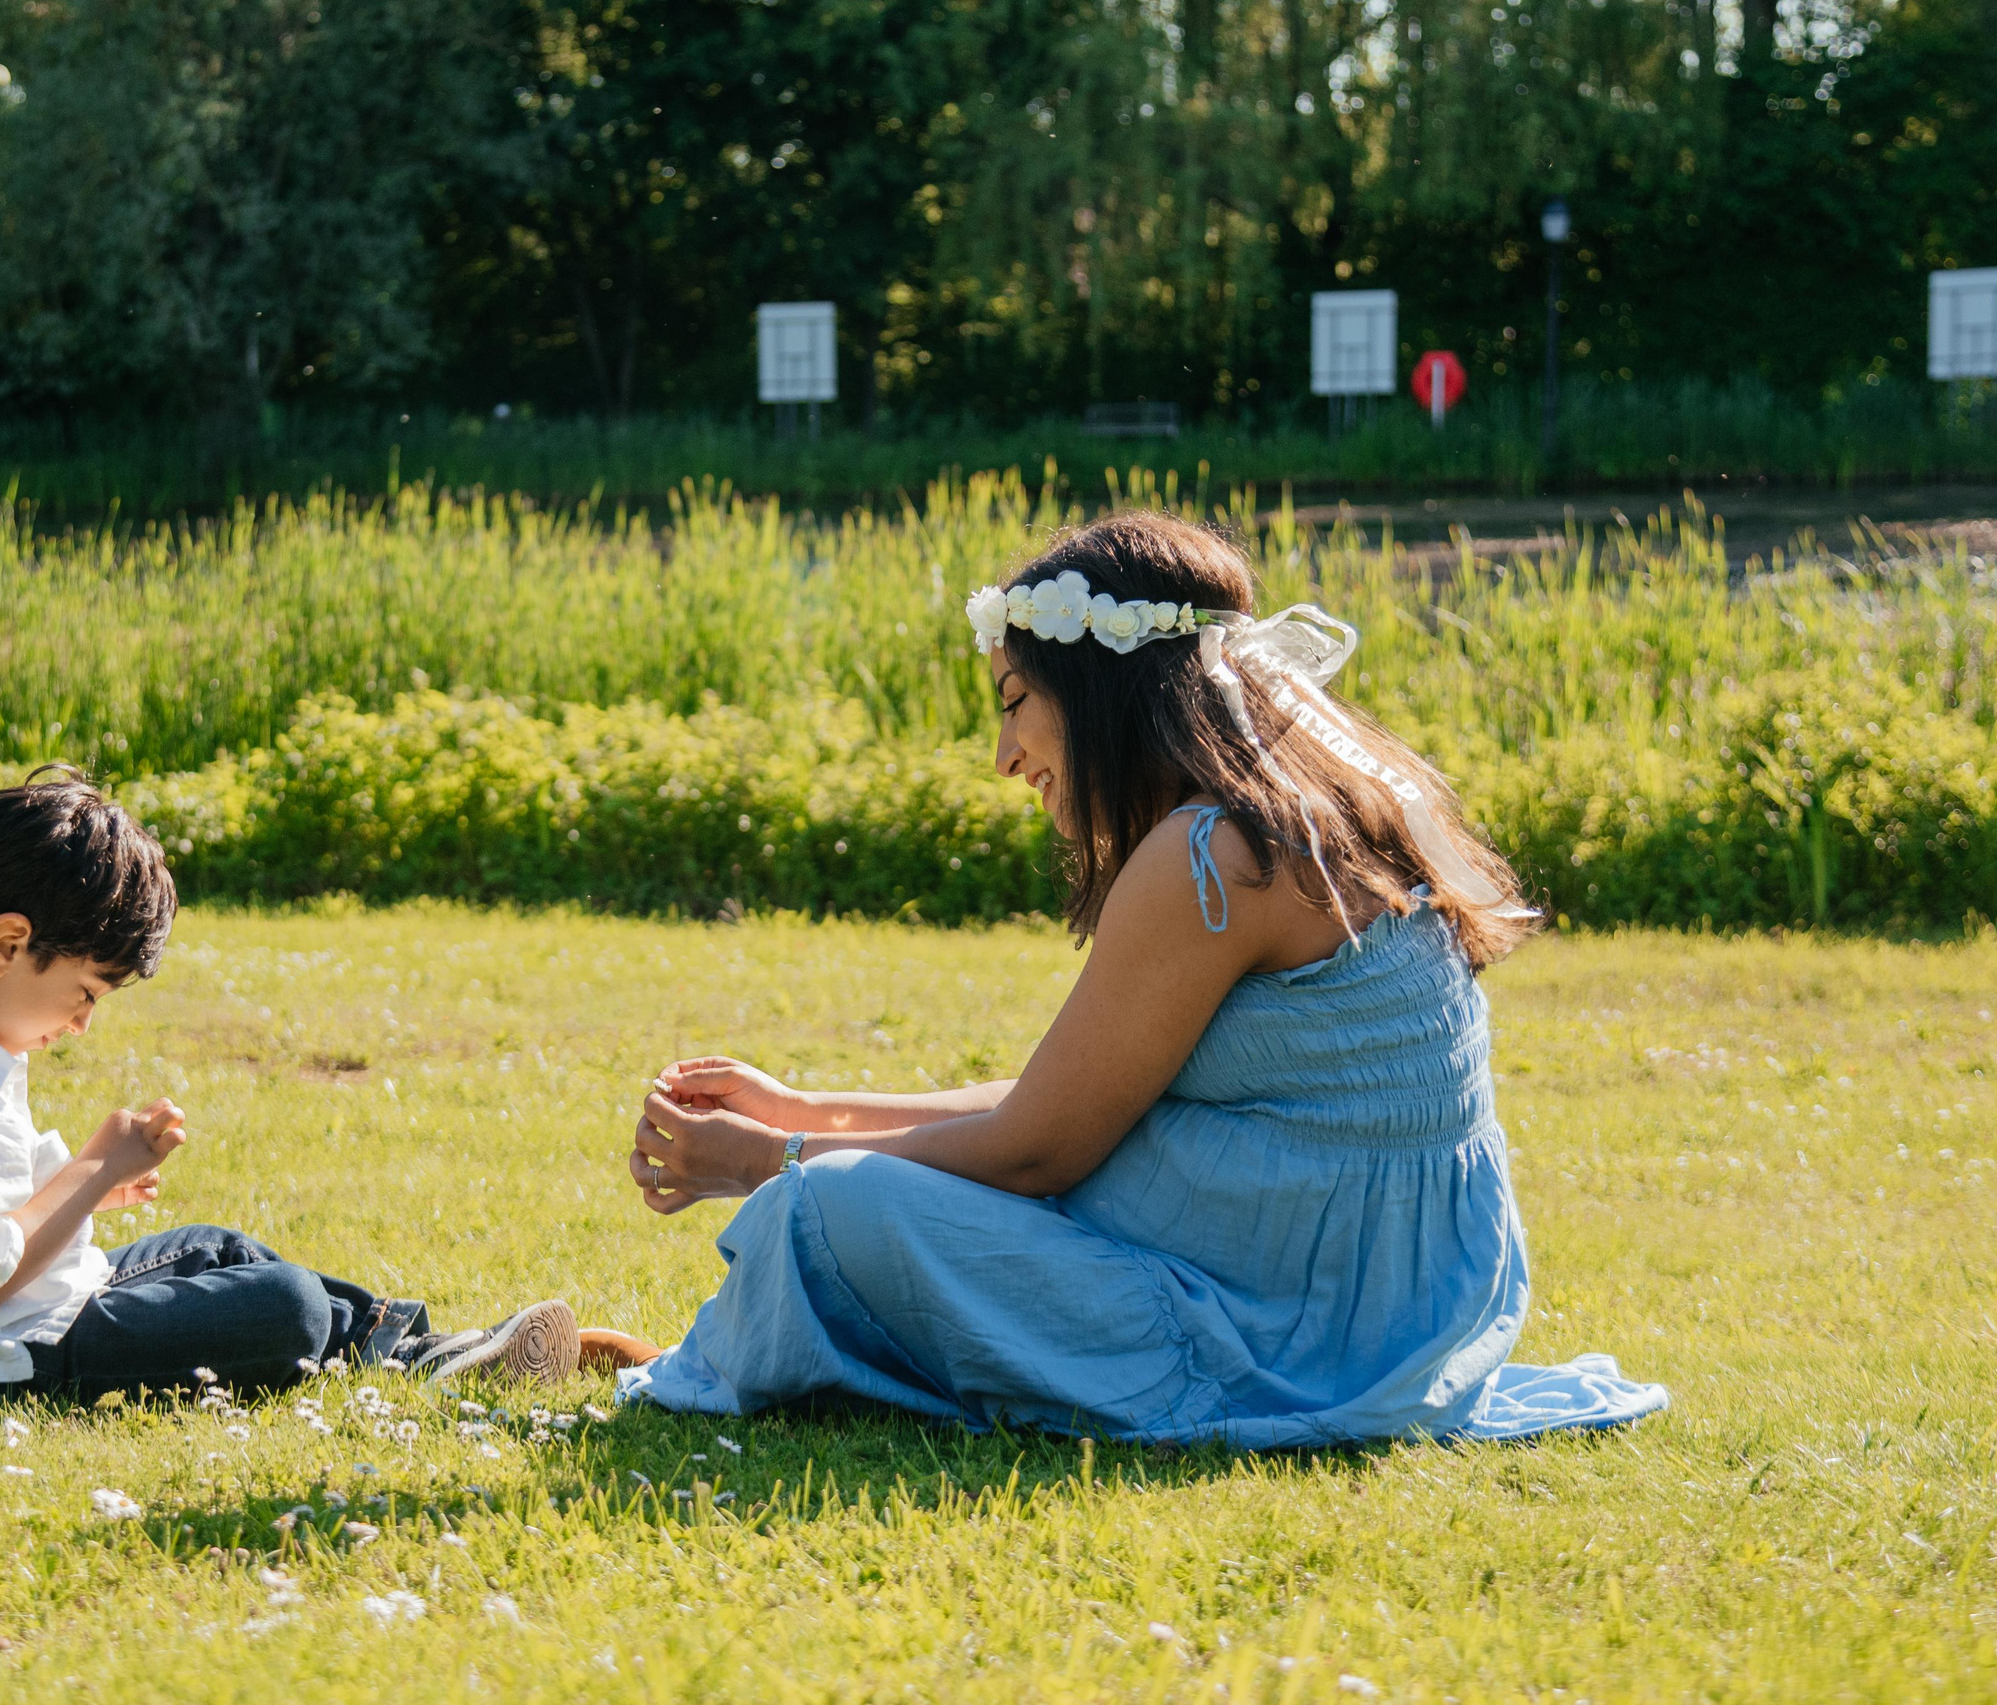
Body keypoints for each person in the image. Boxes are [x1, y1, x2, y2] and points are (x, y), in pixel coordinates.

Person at [614, 510, 1668, 1445]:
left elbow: (1037, 1148)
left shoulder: (1214, 854)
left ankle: (756, 1350)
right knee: (842, 1189)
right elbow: (1076, 1100)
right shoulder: (1313, 807)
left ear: (1101, 690)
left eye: (1015, 700)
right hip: (1381, 1309)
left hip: (1278, 1333)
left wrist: (771, 1159)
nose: (1004, 754)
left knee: (825, 1207)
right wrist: (806, 1108)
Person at [0, 770, 582, 1404]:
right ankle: (397, 1350)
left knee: (217, 1248)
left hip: (11, 1321)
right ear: (9, 944)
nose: (82, 1023)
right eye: (85, 992)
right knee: (284, 1306)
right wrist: (94, 1171)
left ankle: (412, 1347)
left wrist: (85, 1192)